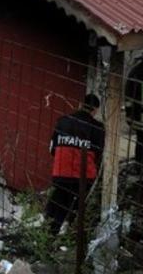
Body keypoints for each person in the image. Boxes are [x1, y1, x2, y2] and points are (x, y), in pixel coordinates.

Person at [45, 94, 105, 234]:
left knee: (58, 202)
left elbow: (52, 148)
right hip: (84, 176)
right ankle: (70, 233)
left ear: (80, 104)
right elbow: (98, 154)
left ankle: (50, 231)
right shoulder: (97, 128)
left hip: (61, 172)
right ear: (95, 110)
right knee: (77, 207)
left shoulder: (62, 121)